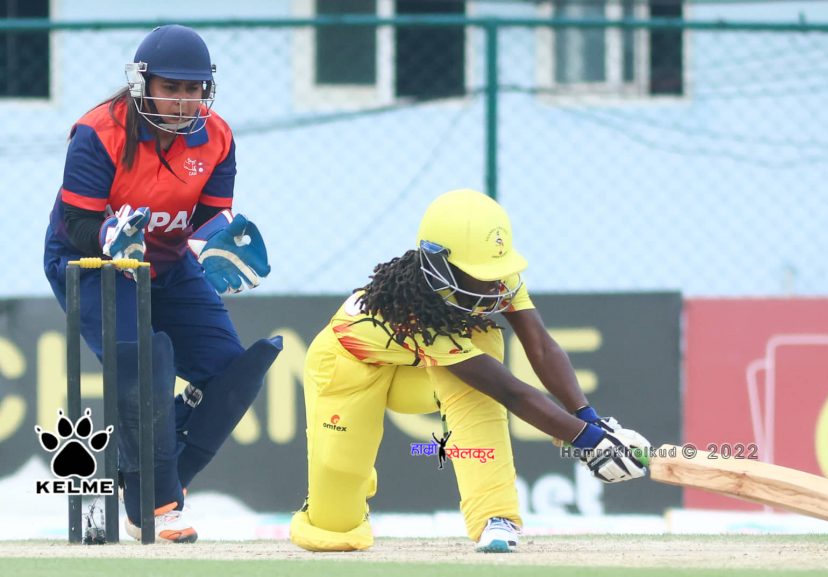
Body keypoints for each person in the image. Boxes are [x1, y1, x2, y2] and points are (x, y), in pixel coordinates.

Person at [290, 189, 651, 553]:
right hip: (347, 371)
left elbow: (541, 346)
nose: (495, 285)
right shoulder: (413, 313)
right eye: (482, 274)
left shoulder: (499, 277)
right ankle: (344, 490)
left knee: (480, 342)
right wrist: (589, 441)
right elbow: (510, 391)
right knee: (334, 527)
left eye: (496, 271)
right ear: (439, 266)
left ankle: (496, 517)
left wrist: (588, 417)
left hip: (418, 373)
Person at [42, 25, 281, 543]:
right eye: (171, 88)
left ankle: (146, 477)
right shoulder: (98, 132)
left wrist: (221, 243)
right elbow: (78, 222)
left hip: (168, 262)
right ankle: (157, 504)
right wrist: (110, 235)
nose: (183, 101)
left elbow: (209, 217)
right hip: (91, 263)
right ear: (142, 84)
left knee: (234, 372)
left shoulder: (217, 136)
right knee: (146, 364)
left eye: (194, 89)